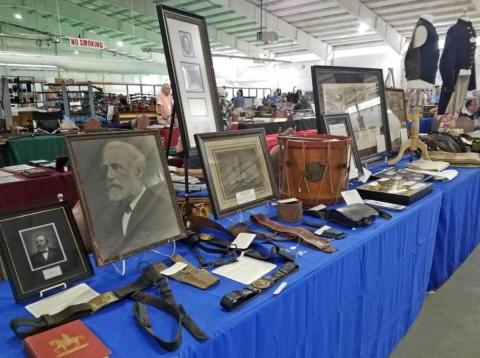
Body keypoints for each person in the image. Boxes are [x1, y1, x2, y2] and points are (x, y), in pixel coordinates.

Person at [98, 140, 178, 259]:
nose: (109, 176)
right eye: (106, 169)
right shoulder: (114, 210)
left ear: (138, 172)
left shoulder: (161, 210)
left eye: (117, 167)